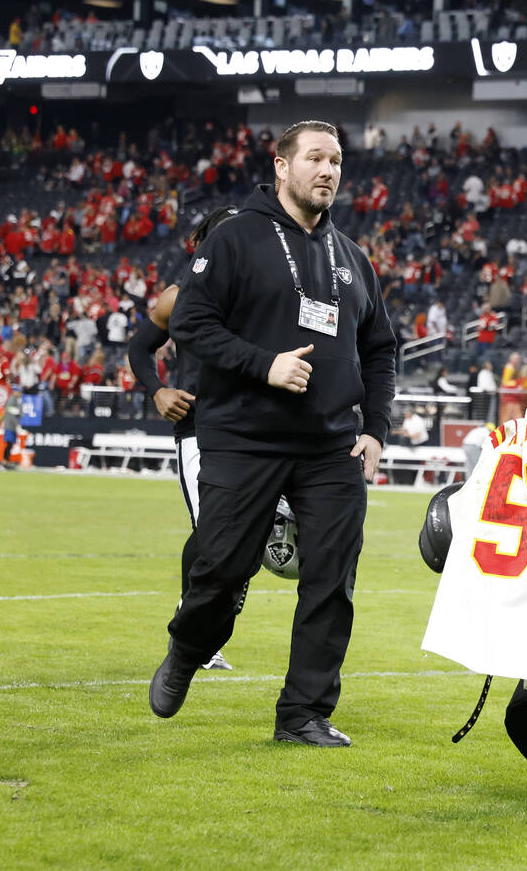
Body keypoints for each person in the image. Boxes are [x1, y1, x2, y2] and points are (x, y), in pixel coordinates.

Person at [148, 120, 397, 748]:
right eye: (314, 157)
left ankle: (303, 712)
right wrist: (266, 364)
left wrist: (377, 429)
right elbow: (193, 324)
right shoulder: (235, 239)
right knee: (221, 568)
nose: (328, 170)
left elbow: (381, 350)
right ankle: (189, 647)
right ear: (281, 166)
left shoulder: (353, 258)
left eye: (336, 160)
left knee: (331, 578)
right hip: (245, 438)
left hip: (330, 447)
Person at [128, 206, 241, 672]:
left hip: (253, 427)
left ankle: (199, 624)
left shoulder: (267, 293)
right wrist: (158, 391)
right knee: (214, 533)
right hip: (197, 426)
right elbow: (139, 348)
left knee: (237, 538)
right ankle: (194, 630)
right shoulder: (177, 297)